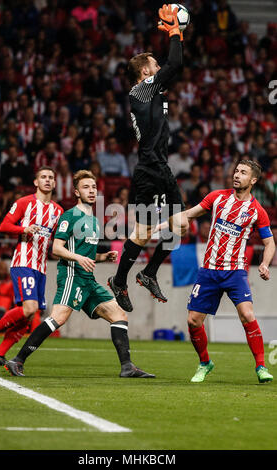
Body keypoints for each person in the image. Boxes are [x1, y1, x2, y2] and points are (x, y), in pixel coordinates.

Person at [4, 170, 155, 379]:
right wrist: (78, 258)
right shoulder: (70, 216)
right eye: (86, 187)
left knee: (119, 315)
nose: (91, 191)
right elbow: (56, 249)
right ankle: (17, 360)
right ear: (76, 192)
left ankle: (127, 367)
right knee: (58, 318)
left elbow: (87, 256)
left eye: (93, 187)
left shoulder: (93, 220)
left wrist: (103, 257)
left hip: (88, 280)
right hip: (71, 276)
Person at [108, 4, 188, 312]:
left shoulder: (154, 91)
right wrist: (175, 32)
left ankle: (149, 272)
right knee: (142, 232)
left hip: (162, 168)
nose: (159, 67)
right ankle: (119, 280)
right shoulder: (140, 91)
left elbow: (172, 66)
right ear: (145, 72)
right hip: (148, 170)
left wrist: (175, 34)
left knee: (180, 227)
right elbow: (176, 63)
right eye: (154, 65)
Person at [185, 160, 275, 384]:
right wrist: (174, 219)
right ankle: (205, 363)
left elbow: (270, 243)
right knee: (194, 321)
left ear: (253, 180)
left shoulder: (257, 211)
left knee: (247, 315)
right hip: (208, 270)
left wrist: (264, 263)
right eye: (236, 171)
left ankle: (261, 366)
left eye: (243, 173)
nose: (237, 175)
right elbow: (192, 213)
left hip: (235, 272)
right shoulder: (217, 197)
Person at [0, 166, 63, 365]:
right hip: (23, 262)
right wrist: (24, 228)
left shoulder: (58, 211)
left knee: (27, 316)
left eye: (51, 177)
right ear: (36, 182)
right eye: (43, 177)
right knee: (29, 308)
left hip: (41, 267)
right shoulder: (24, 203)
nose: (47, 180)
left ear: (55, 183)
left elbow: (57, 239)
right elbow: (4, 226)